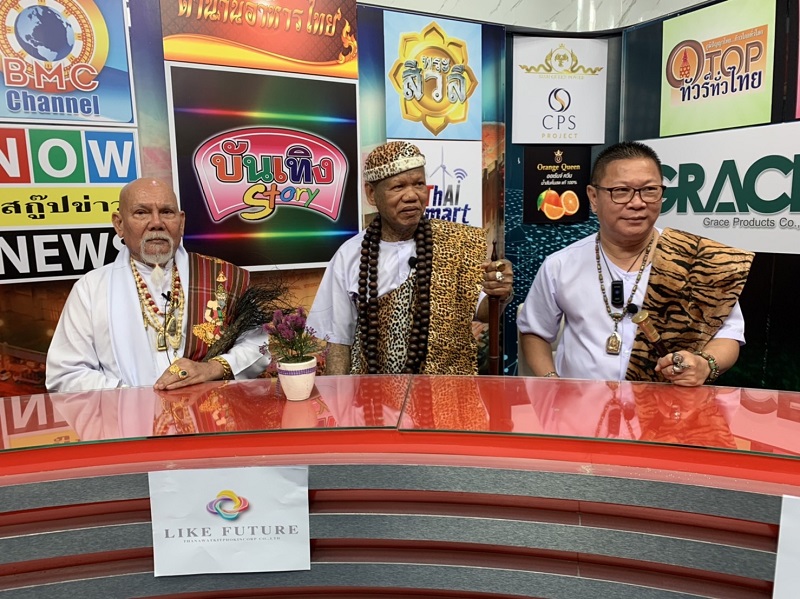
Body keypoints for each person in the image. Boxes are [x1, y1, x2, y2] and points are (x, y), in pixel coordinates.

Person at [518, 141, 754, 386]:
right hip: (580, 403)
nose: (638, 203)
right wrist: (552, 383)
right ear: (593, 197)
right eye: (621, 191)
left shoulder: (697, 260)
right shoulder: (560, 265)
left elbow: (728, 335)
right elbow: (534, 332)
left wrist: (705, 364)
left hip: (667, 403)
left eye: (650, 190)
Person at [46, 178, 272, 393]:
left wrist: (211, 368)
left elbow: (260, 345)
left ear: (181, 222)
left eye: (166, 212)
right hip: (127, 417)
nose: (156, 223)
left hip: (209, 415)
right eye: (141, 212)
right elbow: (66, 374)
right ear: (119, 224)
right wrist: (136, 400)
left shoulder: (223, 277)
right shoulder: (91, 289)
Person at [307, 141, 514, 375]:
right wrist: (338, 394)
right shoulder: (350, 254)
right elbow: (338, 342)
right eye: (398, 187)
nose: (412, 196)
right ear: (372, 194)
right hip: (373, 392)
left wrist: (500, 291)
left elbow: (483, 312)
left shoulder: (456, 243)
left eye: (419, 184)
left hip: (445, 392)